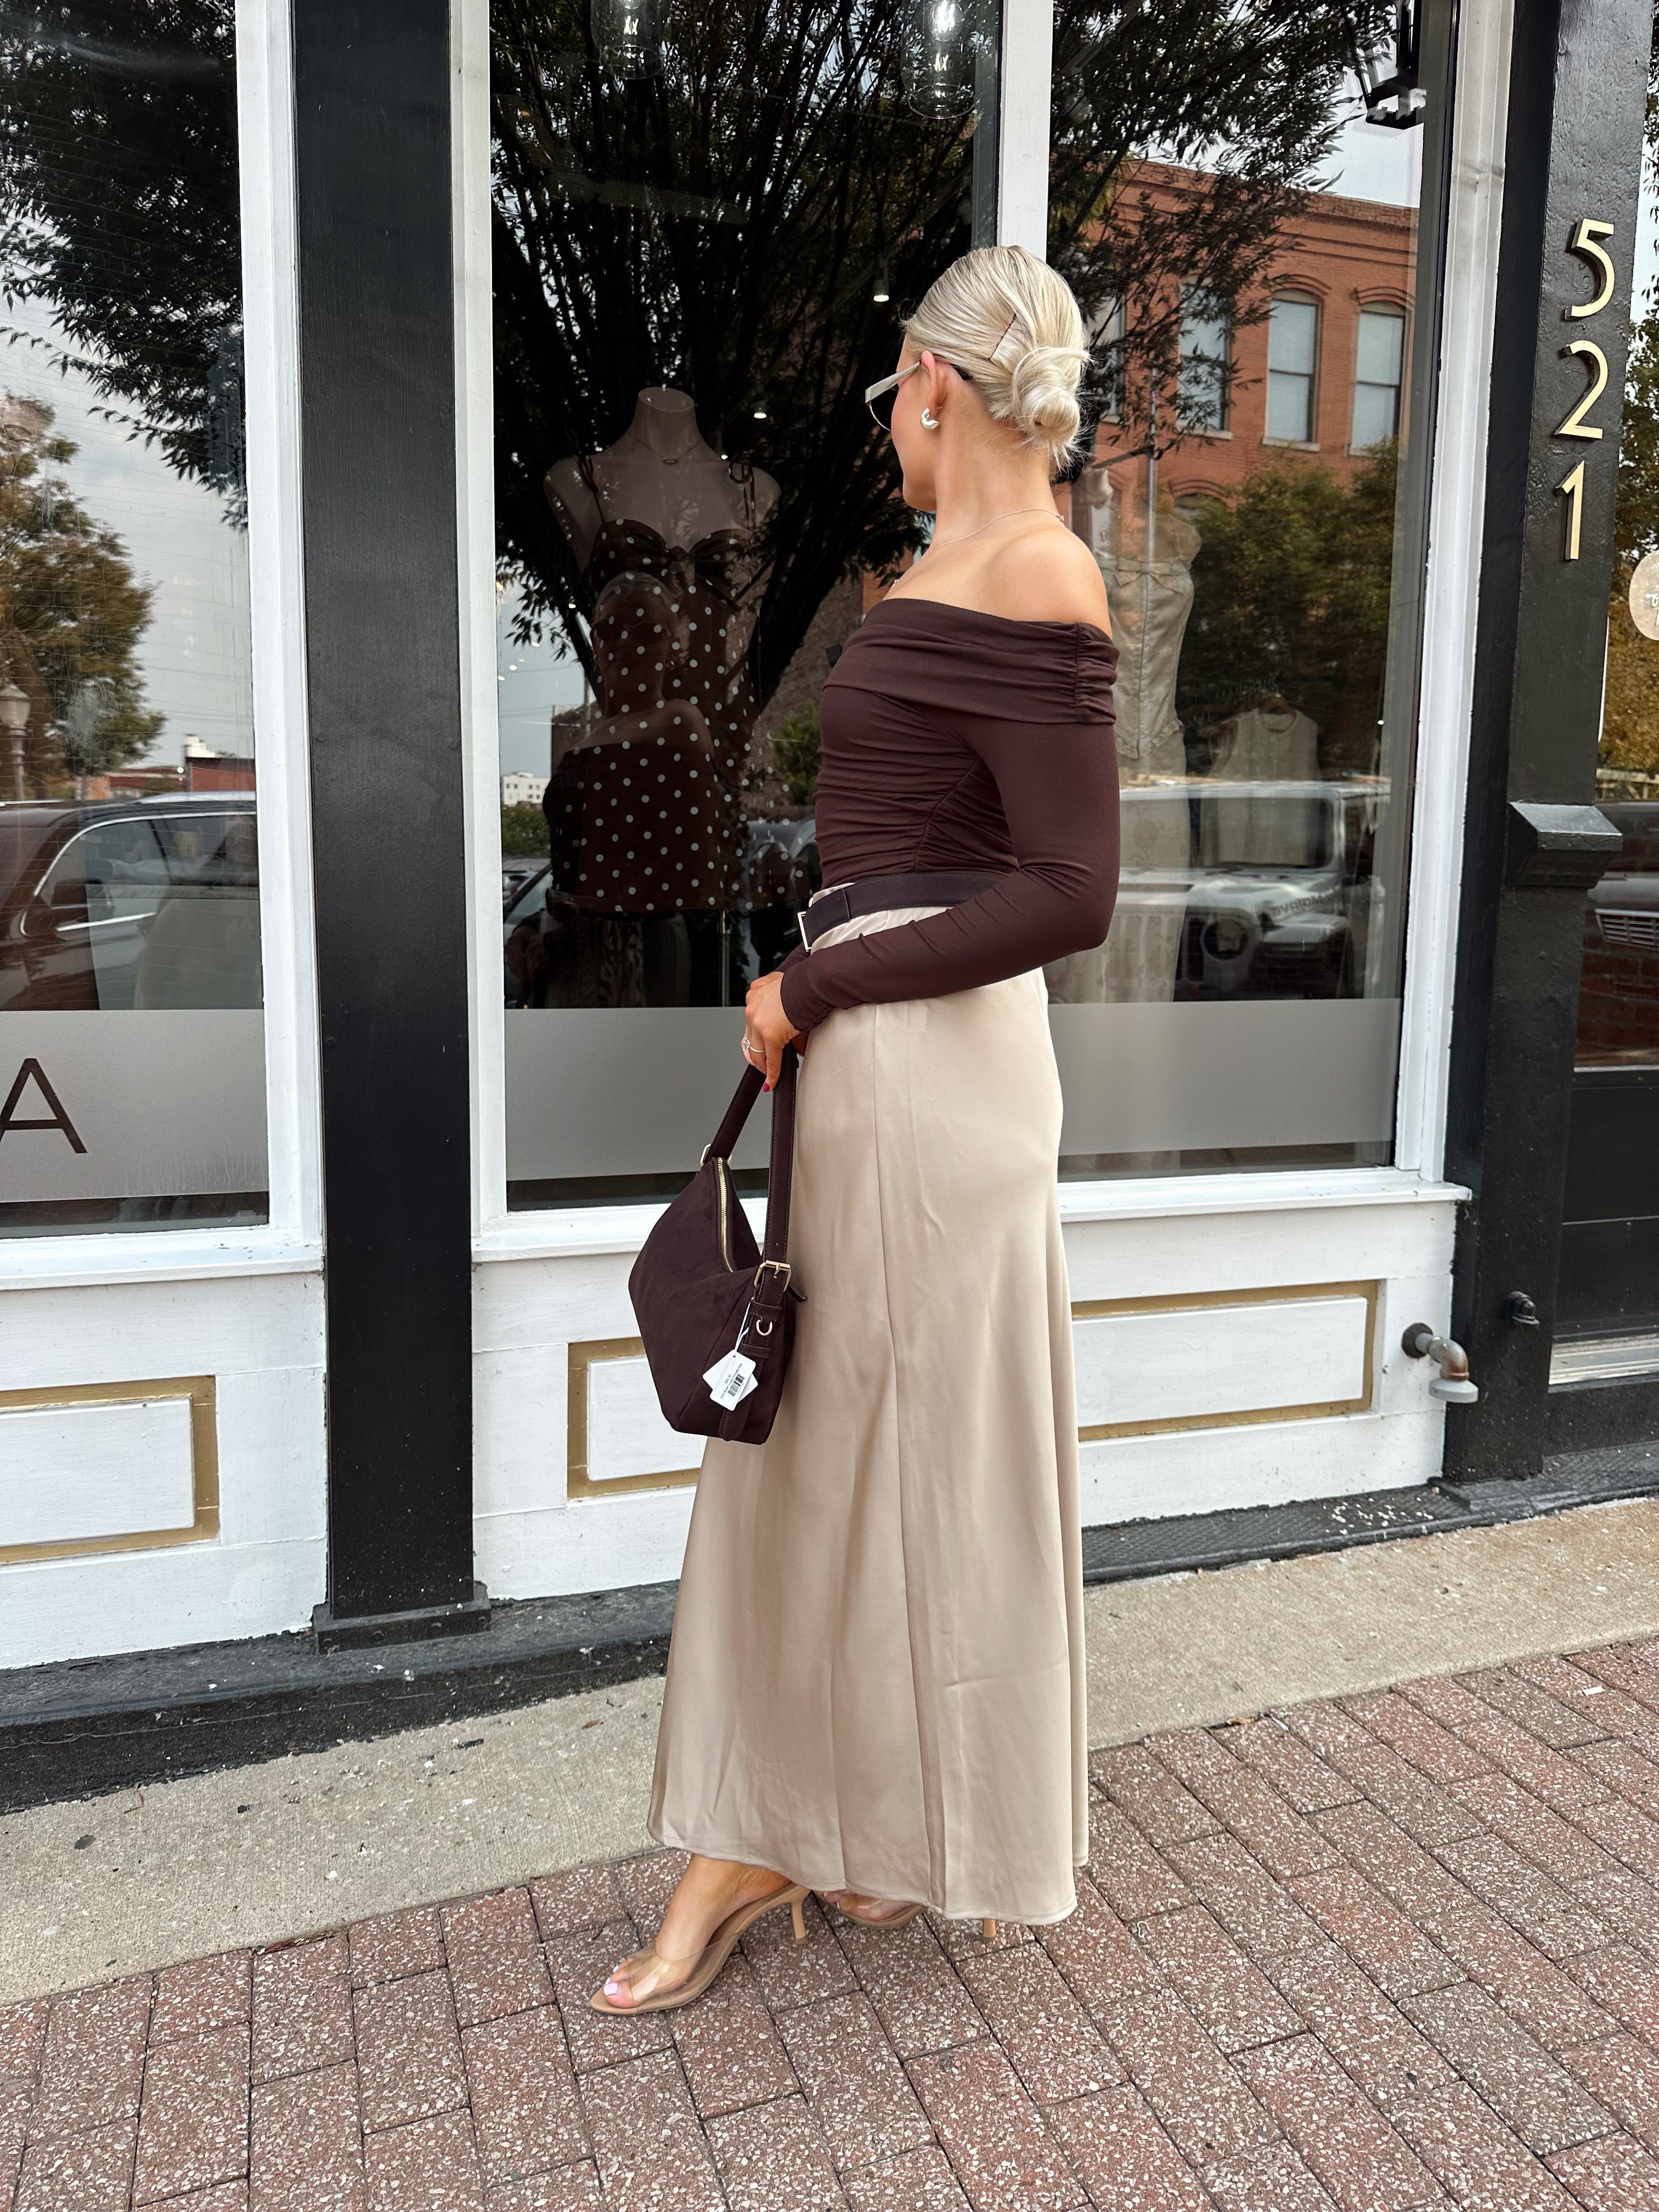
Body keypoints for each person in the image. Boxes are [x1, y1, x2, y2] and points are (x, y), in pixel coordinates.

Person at [592, 243, 1121, 2014]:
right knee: (838, 1460)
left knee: (867, 1467)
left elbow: (1073, 893)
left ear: (936, 386)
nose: (888, 421)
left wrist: (815, 984)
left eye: (893, 389)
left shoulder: (1037, 567)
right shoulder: (950, 565)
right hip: (885, 1058)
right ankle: (838, 1832)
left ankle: (772, 1846)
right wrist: (822, 984)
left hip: (927, 1067)